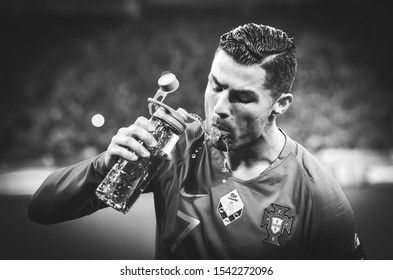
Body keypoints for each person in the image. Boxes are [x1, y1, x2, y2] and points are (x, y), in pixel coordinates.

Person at [28, 23, 366, 259]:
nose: (219, 108)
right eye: (216, 86)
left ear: (280, 104)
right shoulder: (175, 144)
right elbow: (41, 208)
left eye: (242, 97)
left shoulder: (315, 190)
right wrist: (104, 165)